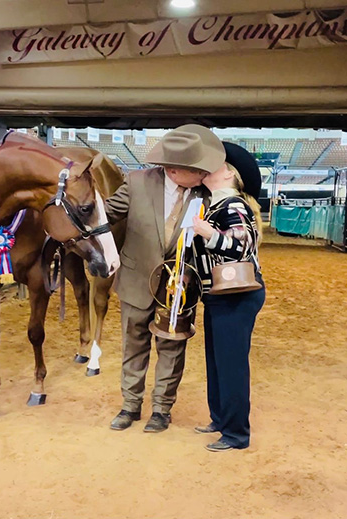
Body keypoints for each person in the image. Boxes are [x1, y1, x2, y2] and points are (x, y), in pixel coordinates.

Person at [105, 127, 225, 433]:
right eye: (196, 170)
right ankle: (130, 406)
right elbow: (104, 216)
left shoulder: (206, 192)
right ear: (172, 169)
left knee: (172, 349)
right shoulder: (135, 183)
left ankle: (162, 409)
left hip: (180, 288)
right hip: (135, 281)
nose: (203, 174)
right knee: (134, 346)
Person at [189, 127, 266, 452]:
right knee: (219, 360)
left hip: (235, 295)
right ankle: (221, 419)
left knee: (230, 363)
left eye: (216, 164)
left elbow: (240, 246)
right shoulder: (217, 205)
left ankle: (236, 433)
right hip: (222, 295)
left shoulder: (231, 205)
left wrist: (208, 234)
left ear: (229, 174)